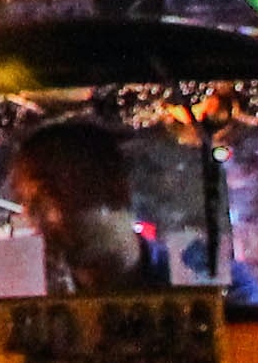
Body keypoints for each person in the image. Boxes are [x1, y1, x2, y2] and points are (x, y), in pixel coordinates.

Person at [11, 120, 161, 294]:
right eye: (25, 200)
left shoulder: (188, 273)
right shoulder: (37, 302)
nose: (30, 217)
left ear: (116, 190)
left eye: (46, 192)